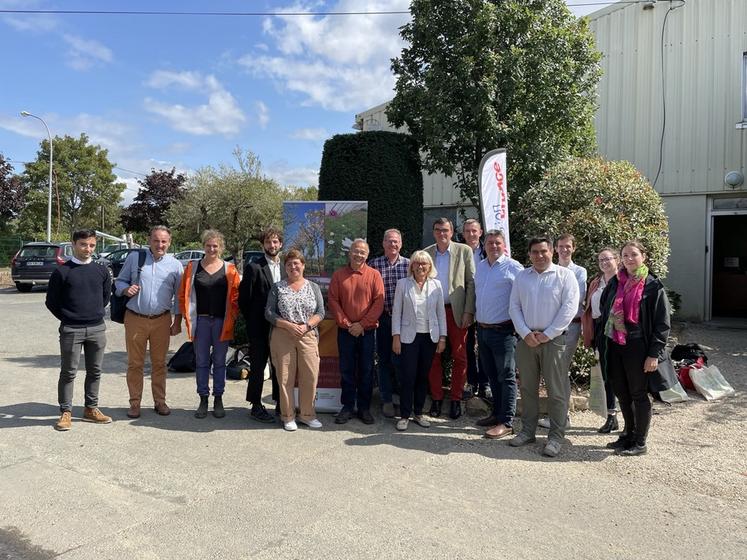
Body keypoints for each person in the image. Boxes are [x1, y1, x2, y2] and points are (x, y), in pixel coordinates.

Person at [508, 236, 579, 457]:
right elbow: (514, 307)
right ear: (529, 254)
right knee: (528, 388)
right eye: (535, 252)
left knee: (556, 391)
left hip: (554, 340)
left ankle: (556, 437)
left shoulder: (565, 276)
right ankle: (527, 431)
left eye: (543, 251)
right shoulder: (522, 277)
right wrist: (526, 333)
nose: (539, 256)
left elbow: (569, 308)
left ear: (551, 252)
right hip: (527, 340)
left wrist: (547, 334)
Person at [599, 241, 671, 456]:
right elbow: (605, 311)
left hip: (638, 346)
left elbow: (662, 323)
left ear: (643, 256)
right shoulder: (616, 282)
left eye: (634, 254)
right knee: (622, 392)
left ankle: (640, 442)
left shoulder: (652, 286)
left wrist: (653, 354)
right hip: (615, 344)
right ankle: (627, 435)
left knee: (638, 394)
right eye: (625, 255)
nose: (630, 259)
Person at [45, 229, 112, 431]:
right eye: (83, 244)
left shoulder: (101, 271)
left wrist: (93, 314)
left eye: (92, 245)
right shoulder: (62, 271)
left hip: (97, 328)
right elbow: (51, 302)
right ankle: (66, 412)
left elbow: (105, 298)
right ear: (73, 244)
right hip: (71, 329)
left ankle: (91, 408)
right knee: (69, 372)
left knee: (95, 371)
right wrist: (69, 317)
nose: (88, 249)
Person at [115, 225, 183, 419]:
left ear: (169, 243)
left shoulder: (175, 265)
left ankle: (159, 401)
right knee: (135, 364)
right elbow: (119, 281)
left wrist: (177, 321)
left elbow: (179, 297)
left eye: (163, 241)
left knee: (159, 364)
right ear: (149, 240)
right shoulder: (135, 258)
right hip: (135, 319)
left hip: (162, 320)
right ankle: (135, 403)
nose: (159, 244)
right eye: (156, 240)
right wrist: (125, 289)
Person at [178, 230, 240, 419]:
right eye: (208, 245)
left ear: (220, 248)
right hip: (202, 321)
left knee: (220, 362)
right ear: (203, 246)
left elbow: (236, 297)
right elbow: (183, 294)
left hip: (222, 321)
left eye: (215, 246)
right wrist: (185, 316)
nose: (212, 249)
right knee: (202, 362)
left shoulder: (230, 269)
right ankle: (203, 398)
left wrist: (233, 317)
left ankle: (218, 398)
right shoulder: (192, 267)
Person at [265, 249, 325, 431]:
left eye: (296, 263)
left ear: (303, 266)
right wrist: (288, 325)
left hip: (307, 333)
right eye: (289, 264)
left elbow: (321, 312)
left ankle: (307, 415)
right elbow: (269, 312)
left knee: (310, 375)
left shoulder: (313, 287)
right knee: (285, 377)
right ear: (285, 267)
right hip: (283, 334)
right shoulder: (278, 287)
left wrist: (307, 326)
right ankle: (288, 416)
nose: (293, 267)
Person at [474, 230, 524, 439]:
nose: (493, 246)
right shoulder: (481, 267)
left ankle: (507, 421)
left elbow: (524, 299)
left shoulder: (514, 268)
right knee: (492, 374)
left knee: (507, 376)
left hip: (504, 330)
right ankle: (496, 413)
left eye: (497, 243)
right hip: (483, 329)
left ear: (504, 245)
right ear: (484, 245)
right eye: (490, 243)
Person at [328, 239, 385, 425]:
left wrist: (362, 324)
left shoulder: (374, 275)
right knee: (346, 370)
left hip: (366, 332)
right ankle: (347, 407)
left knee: (366, 370)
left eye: (362, 252)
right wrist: (347, 324)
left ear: (367, 255)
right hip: (345, 332)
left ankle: (364, 408)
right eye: (355, 251)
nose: (358, 255)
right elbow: (333, 301)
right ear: (349, 252)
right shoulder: (338, 275)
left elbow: (379, 302)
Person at [424, 217, 476, 419]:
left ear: (452, 231)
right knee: (433, 356)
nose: (441, 233)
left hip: (456, 311)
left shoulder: (464, 251)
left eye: (445, 230)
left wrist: (468, 311)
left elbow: (471, 283)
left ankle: (455, 399)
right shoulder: (427, 253)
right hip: (433, 312)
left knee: (460, 356)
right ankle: (436, 398)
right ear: (434, 232)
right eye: (438, 230)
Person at [391, 251, 447, 431]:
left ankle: (419, 412)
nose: (421, 267)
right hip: (408, 337)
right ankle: (405, 415)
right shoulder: (402, 284)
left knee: (423, 377)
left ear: (430, 267)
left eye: (424, 264)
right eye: (417, 263)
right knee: (408, 376)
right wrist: (396, 337)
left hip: (429, 337)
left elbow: (441, 313)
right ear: (412, 266)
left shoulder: (436, 285)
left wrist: (442, 337)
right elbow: (396, 312)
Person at [538, 233, 587, 430]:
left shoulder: (579, 272)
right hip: (549, 329)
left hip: (570, 327)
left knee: (559, 371)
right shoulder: (550, 269)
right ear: (555, 249)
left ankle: (561, 417)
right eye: (560, 246)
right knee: (552, 372)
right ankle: (558, 415)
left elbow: (574, 301)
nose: (564, 249)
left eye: (568, 246)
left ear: (573, 248)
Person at [239, 227, 284, 423]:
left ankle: (280, 404)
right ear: (263, 244)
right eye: (268, 242)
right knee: (258, 366)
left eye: (275, 242)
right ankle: (256, 404)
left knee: (280, 367)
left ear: (280, 244)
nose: (272, 245)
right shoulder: (254, 267)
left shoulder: (287, 268)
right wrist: (253, 322)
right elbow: (244, 300)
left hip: (282, 327)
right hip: (259, 327)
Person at [369, 229, 410, 418]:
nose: (393, 245)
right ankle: (386, 400)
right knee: (384, 360)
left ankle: (402, 400)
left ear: (401, 244)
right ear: (383, 243)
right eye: (389, 241)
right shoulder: (374, 264)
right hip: (383, 319)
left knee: (402, 362)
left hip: (405, 321)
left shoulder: (410, 265)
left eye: (396, 241)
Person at [581, 247, 621, 433]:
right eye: (601, 260)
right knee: (606, 373)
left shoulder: (623, 281)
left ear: (617, 260)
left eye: (608, 259)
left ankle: (624, 416)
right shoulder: (596, 282)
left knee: (616, 374)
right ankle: (611, 416)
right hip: (599, 329)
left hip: (616, 331)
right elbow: (589, 309)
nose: (604, 262)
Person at [461, 218, 491, 400]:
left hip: (485, 305)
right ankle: (471, 382)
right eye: (467, 231)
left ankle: (485, 383)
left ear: (480, 232)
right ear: (463, 233)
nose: (471, 234)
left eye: (474, 231)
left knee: (485, 347)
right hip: (464, 306)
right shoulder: (458, 252)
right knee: (467, 346)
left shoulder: (489, 251)